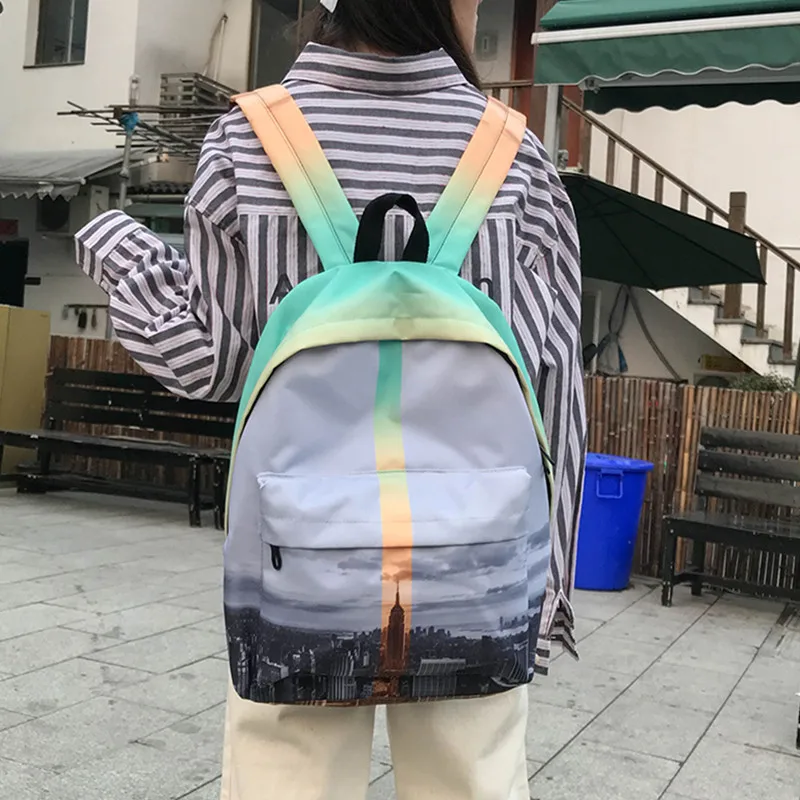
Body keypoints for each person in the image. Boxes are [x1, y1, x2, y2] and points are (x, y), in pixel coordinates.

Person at [75, 1, 586, 798]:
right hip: (477, 561)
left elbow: (210, 363)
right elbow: (554, 391)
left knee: (286, 779)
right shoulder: (515, 153)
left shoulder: (250, 136)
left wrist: (119, 251)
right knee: (472, 782)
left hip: (299, 555)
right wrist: (548, 589)